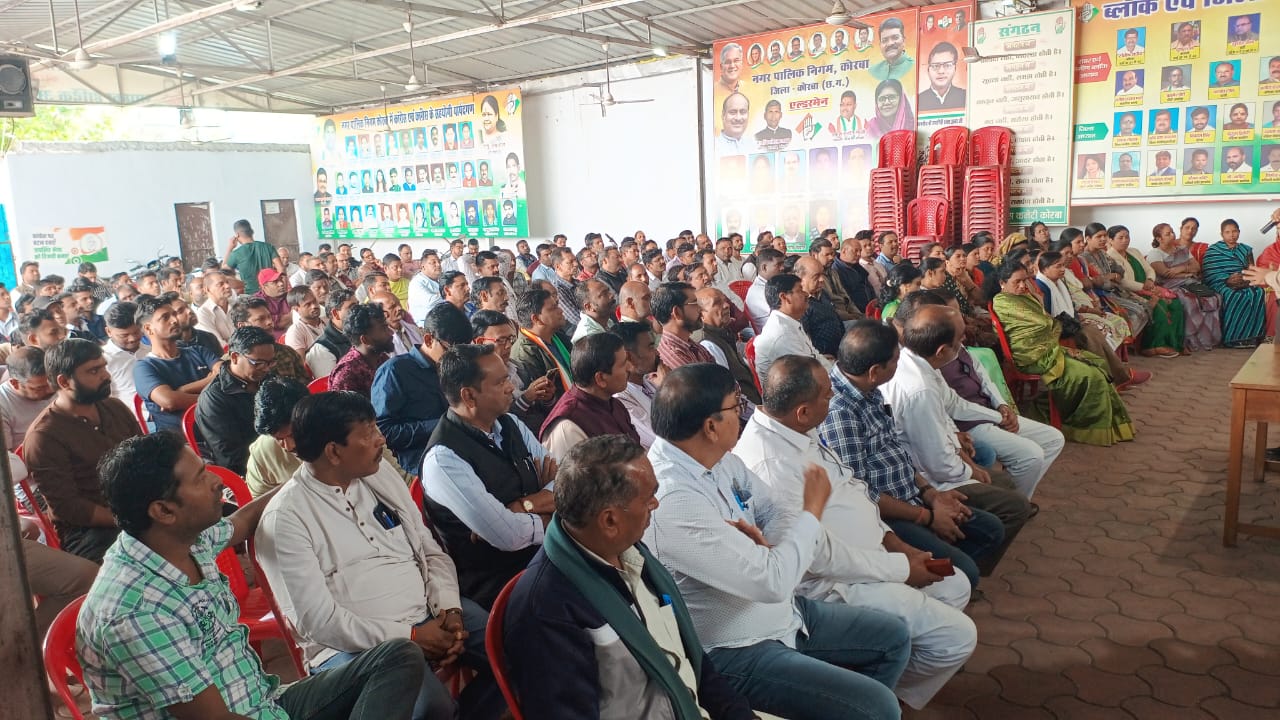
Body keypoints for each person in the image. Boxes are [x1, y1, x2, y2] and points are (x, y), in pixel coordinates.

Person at [80, 431, 426, 720]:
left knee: (397, 656)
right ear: (164, 510)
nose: (217, 481)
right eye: (201, 477)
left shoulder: (178, 540)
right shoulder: (136, 613)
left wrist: (307, 479)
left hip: (264, 704)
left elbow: (241, 522)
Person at [643, 362, 910, 720]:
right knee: (878, 706)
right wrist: (811, 511)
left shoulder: (717, 460)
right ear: (710, 426)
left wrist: (773, 548)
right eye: (736, 406)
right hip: (735, 647)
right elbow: (772, 581)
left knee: (892, 638)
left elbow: (776, 510)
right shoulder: (674, 499)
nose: (744, 414)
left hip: (783, 613)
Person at [737, 355, 976, 709]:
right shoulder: (772, 465)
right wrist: (900, 568)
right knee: (957, 637)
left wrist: (898, 545)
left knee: (956, 584)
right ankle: (882, 698)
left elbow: (853, 491)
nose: (833, 398)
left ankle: (887, 677)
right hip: (836, 584)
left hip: (874, 557)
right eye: (827, 395)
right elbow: (816, 557)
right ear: (803, 410)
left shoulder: (796, 429)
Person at [254, 391, 502, 720]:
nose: (381, 439)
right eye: (368, 432)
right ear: (333, 452)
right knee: (430, 708)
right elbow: (319, 623)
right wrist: (411, 637)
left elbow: (429, 550)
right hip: (354, 648)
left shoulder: (377, 476)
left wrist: (449, 610)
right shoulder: (285, 519)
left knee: (515, 648)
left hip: (428, 613)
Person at [504, 435, 760, 719]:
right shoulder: (545, 610)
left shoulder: (632, 553)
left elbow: (695, 665)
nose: (656, 504)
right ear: (610, 520)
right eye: (648, 498)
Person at [421, 344, 557, 609]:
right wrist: (556, 513)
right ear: (469, 396)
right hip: (504, 586)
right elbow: (509, 537)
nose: (511, 387)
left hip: (546, 559)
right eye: (501, 381)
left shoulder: (510, 424)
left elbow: (564, 482)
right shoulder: (444, 460)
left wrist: (523, 505)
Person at [991, 262, 1137, 445]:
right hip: (1031, 356)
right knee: (1090, 375)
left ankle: (1104, 423)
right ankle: (1083, 427)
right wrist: (1051, 319)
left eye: (1025, 280)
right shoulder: (1002, 301)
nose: (1022, 286)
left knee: (1097, 365)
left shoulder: (1025, 297)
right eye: (1017, 282)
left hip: (1047, 350)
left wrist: (1045, 312)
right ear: (1002, 283)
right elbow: (1043, 323)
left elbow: (1046, 321)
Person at [25, 339, 140, 562]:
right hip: (92, 532)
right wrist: (131, 520)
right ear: (64, 381)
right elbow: (68, 507)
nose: (106, 376)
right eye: (94, 371)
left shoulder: (114, 407)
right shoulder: (44, 437)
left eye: (104, 367)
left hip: (142, 507)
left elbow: (147, 456)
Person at [372, 303, 474, 474]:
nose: (458, 359)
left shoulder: (456, 368)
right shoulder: (395, 371)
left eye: (464, 351)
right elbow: (384, 432)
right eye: (451, 351)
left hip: (463, 449)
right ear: (428, 340)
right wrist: (442, 424)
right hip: (423, 461)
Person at [541, 332, 639, 460]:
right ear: (600, 378)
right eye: (623, 364)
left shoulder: (613, 403)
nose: (630, 368)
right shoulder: (567, 428)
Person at [192, 327, 275, 475]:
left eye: (270, 362)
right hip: (252, 470)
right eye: (258, 363)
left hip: (279, 453)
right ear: (235, 357)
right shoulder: (213, 400)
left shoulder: (267, 379)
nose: (266, 369)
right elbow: (231, 459)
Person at [134, 296, 221, 434]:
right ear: (149, 328)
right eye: (165, 317)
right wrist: (215, 395)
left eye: (174, 314)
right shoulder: (144, 367)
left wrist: (183, 390)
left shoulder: (198, 351)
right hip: (183, 441)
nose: (174, 320)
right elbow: (169, 401)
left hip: (220, 427)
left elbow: (226, 374)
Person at [1106, 225, 1186, 357]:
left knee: (1175, 303)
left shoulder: (1134, 251)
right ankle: (1153, 345)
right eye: (1120, 238)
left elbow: (1149, 269)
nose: (1125, 240)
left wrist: (1149, 280)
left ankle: (1174, 343)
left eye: (1127, 237)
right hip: (1130, 292)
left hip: (1148, 287)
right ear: (1110, 240)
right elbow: (1123, 281)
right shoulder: (1109, 257)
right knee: (1159, 305)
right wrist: (1143, 287)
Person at [1147, 222, 1222, 351]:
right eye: (1168, 234)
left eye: (1172, 232)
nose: (1172, 235)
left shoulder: (1182, 249)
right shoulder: (1155, 253)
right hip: (1169, 287)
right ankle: (1189, 341)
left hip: (1190, 283)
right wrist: (1187, 274)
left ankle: (1207, 339)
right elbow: (1166, 273)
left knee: (1214, 298)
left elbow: (1196, 267)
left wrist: (1181, 268)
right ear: (1159, 239)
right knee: (1189, 301)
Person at [509, 288, 572, 434]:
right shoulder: (525, 352)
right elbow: (540, 400)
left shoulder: (558, 337)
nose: (561, 311)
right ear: (536, 319)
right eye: (553, 308)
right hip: (558, 423)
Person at [1203, 218, 1267, 347]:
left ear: (1239, 232)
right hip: (1221, 284)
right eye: (1227, 232)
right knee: (1233, 295)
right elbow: (1209, 272)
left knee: (1258, 292)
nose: (1232, 235)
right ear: (1222, 234)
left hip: (1243, 282)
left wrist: (1243, 279)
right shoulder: (1213, 251)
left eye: (1234, 231)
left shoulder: (1245, 249)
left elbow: (1251, 269)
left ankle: (1253, 337)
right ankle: (1234, 338)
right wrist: (1227, 280)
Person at [755, 273, 831, 380]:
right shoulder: (782, 334)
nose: (806, 294)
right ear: (784, 297)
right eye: (800, 290)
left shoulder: (790, 321)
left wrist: (832, 369)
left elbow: (814, 355)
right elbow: (806, 373)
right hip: (801, 386)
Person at [329, 303, 392, 397]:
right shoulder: (346, 374)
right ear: (365, 340)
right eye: (384, 329)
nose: (391, 333)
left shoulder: (381, 358)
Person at [0, 346, 54, 449]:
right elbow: (7, 455)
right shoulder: (3, 405)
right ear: (15, 383)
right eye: (40, 388)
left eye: (51, 383)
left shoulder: (51, 387)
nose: (50, 390)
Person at [102, 302, 148, 407]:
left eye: (137, 332)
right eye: (124, 335)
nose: (132, 339)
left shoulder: (152, 351)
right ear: (109, 332)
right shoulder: (103, 360)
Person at [306, 289, 357, 379]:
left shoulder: (363, 332)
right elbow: (330, 385)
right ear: (335, 314)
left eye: (358, 305)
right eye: (352, 308)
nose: (359, 310)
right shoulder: (322, 349)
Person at [224, 219, 280, 295]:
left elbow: (223, 271)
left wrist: (230, 247)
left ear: (237, 235)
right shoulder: (268, 247)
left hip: (251, 295)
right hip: (270, 292)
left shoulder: (236, 253)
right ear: (252, 231)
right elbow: (281, 268)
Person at [744, 247, 785, 331]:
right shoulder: (759, 292)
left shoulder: (771, 286)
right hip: (774, 334)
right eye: (778, 264)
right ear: (764, 268)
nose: (782, 268)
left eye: (783, 264)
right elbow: (784, 315)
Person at [918, 42, 965, 111]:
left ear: (955, 69)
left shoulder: (965, 96)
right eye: (935, 66)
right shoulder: (918, 100)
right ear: (928, 70)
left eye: (947, 65)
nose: (941, 71)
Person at [195, 271, 235, 346]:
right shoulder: (203, 314)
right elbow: (218, 344)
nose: (227, 286)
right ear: (207, 289)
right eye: (220, 284)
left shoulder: (238, 304)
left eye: (227, 282)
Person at [870, 17, 914, 81]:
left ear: (904, 41)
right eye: (885, 40)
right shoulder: (873, 71)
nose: (890, 43)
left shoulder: (914, 67)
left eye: (895, 37)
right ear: (880, 45)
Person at [283, 286, 324, 355]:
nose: (314, 306)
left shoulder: (328, 321)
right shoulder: (295, 332)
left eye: (315, 301)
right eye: (308, 304)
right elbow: (300, 361)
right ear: (296, 309)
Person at [409, 250, 445, 322]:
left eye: (439, 261)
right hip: (425, 324)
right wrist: (449, 292)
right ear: (423, 267)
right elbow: (430, 302)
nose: (438, 264)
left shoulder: (439, 279)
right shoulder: (417, 282)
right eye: (433, 262)